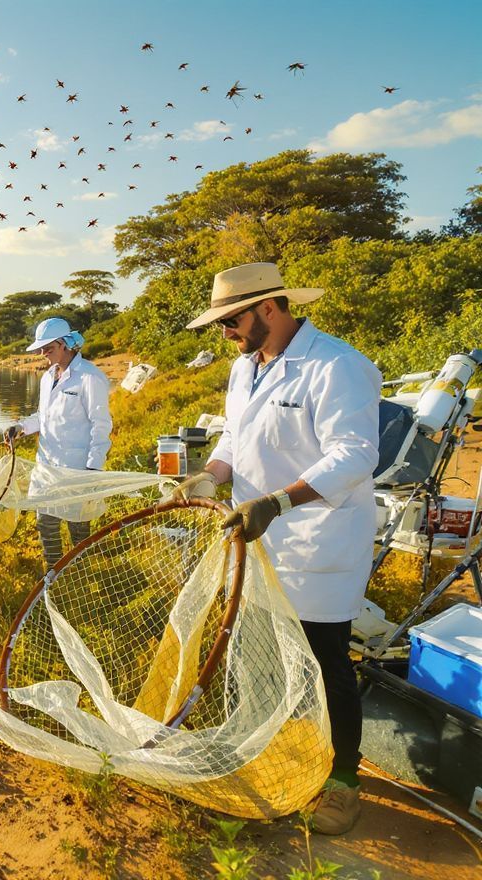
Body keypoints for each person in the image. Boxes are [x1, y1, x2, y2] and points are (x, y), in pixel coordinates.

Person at [172, 262, 380, 836]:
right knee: (257, 651)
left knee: (325, 659)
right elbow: (234, 438)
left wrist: (280, 502)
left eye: (231, 321)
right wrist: (210, 476)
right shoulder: (246, 367)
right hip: (254, 538)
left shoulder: (336, 365)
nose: (225, 334)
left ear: (269, 308)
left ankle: (343, 781)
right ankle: (266, 750)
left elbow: (355, 454)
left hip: (316, 542)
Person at [6, 317, 112, 569]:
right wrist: (21, 427)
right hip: (47, 464)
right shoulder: (47, 377)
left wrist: (93, 467)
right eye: (41, 348)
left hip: (77, 466)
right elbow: (43, 416)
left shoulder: (89, 377)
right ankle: (53, 573)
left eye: (48, 348)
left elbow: (101, 425)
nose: (43, 353)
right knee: (45, 522)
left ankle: (81, 573)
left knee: (78, 525)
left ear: (65, 344)